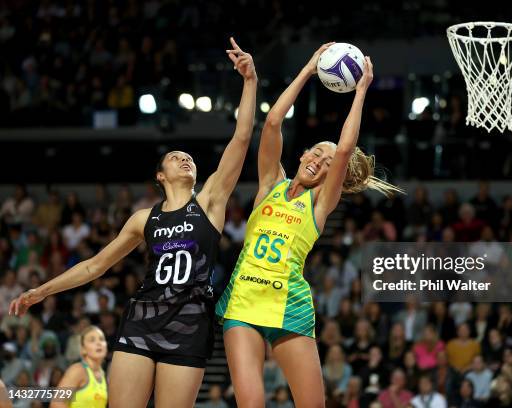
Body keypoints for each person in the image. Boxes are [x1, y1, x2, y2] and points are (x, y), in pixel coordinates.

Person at [9, 38, 257, 408]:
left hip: (189, 325)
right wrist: (43, 290)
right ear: (160, 175)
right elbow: (95, 265)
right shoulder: (144, 218)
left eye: (189, 157)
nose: (185, 160)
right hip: (142, 319)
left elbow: (240, 137)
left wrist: (250, 81)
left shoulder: (211, 201)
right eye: (176, 157)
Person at [216, 43, 401, 408]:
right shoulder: (271, 184)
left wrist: (361, 91)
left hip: (289, 306)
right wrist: (308, 70)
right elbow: (271, 123)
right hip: (242, 301)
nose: (319, 160)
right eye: (316, 151)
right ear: (302, 154)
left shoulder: (319, 203)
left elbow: (346, 149)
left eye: (327, 161)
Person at [50, 326, 108, 408]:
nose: (98, 343)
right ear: (83, 349)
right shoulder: (77, 370)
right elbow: (56, 404)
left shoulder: (102, 374)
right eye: (92, 340)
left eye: (101, 339)